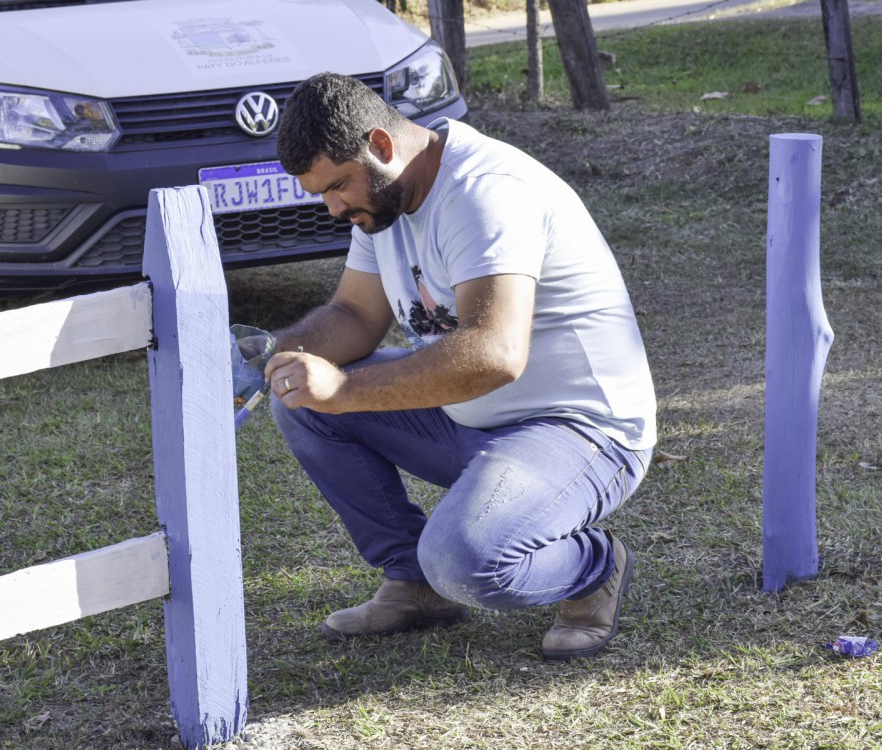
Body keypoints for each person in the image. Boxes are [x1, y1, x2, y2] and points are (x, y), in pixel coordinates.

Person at [261, 72, 656, 660]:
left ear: (383, 145)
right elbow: (353, 315)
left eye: (338, 185)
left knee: (465, 563)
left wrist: (343, 388)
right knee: (298, 397)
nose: (333, 206)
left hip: (581, 432)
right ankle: (413, 583)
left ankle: (594, 566)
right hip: (471, 421)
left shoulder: (485, 190)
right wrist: (269, 358)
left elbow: (495, 353)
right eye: (322, 192)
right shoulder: (383, 203)